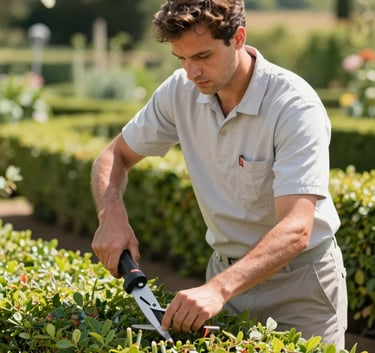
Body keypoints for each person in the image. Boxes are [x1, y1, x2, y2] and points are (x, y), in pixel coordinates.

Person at [91, 0, 348, 348]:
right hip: (225, 276)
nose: (191, 72)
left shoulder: (294, 106)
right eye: (181, 59)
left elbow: (296, 229)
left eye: (202, 56)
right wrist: (111, 216)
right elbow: (114, 155)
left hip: (299, 287)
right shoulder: (179, 90)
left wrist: (218, 288)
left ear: (238, 38)